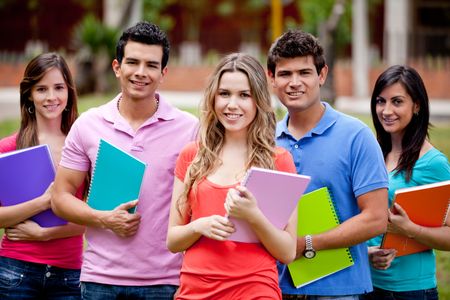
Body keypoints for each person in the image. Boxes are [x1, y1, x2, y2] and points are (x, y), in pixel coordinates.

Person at [52, 21, 198, 299]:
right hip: (99, 280)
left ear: (163, 73)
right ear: (117, 67)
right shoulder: (88, 124)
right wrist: (104, 218)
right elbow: (60, 197)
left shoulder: (189, 128)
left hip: (164, 281)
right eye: (133, 62)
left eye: (151, 65)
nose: (141, 73)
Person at [267, 29, 389, 299]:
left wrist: (308, 244)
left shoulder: (356, 136)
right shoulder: (264, 139)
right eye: (285, 74)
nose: (294, 82)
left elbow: (377, 219)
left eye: (304, 73)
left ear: (321, 75)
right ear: (272, 79)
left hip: (338, 289)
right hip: (272, 287)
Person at [166, 52, 298, 299]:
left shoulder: (278, 160)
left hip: (255, 290)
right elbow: (173, 240)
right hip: (196, 290)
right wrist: (199, 226)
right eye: (224, 94)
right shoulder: (191, 155)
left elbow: (288, 251)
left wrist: (253, 216)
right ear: (213, 98)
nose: (232, 104)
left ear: (258, 100)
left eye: (244, 95)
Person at [0, 52, 85, 299]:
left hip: (69, 275)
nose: (51, 97)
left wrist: (43, 233)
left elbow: (92, 218)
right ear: (29, 94)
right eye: (41, 89)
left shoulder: (82, 146)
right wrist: (42, 202)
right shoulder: (8, 148)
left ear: (69, 92)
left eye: (59, 87)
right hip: (16, 272)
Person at [361, 65, 450, 300]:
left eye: (397, 102)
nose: (386, 110)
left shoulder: (433, 164)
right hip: (364, 284)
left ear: (417, 105)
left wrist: (410, 229)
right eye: (381, 101)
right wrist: (367, 252)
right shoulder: (373, 153)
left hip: (409, 291)